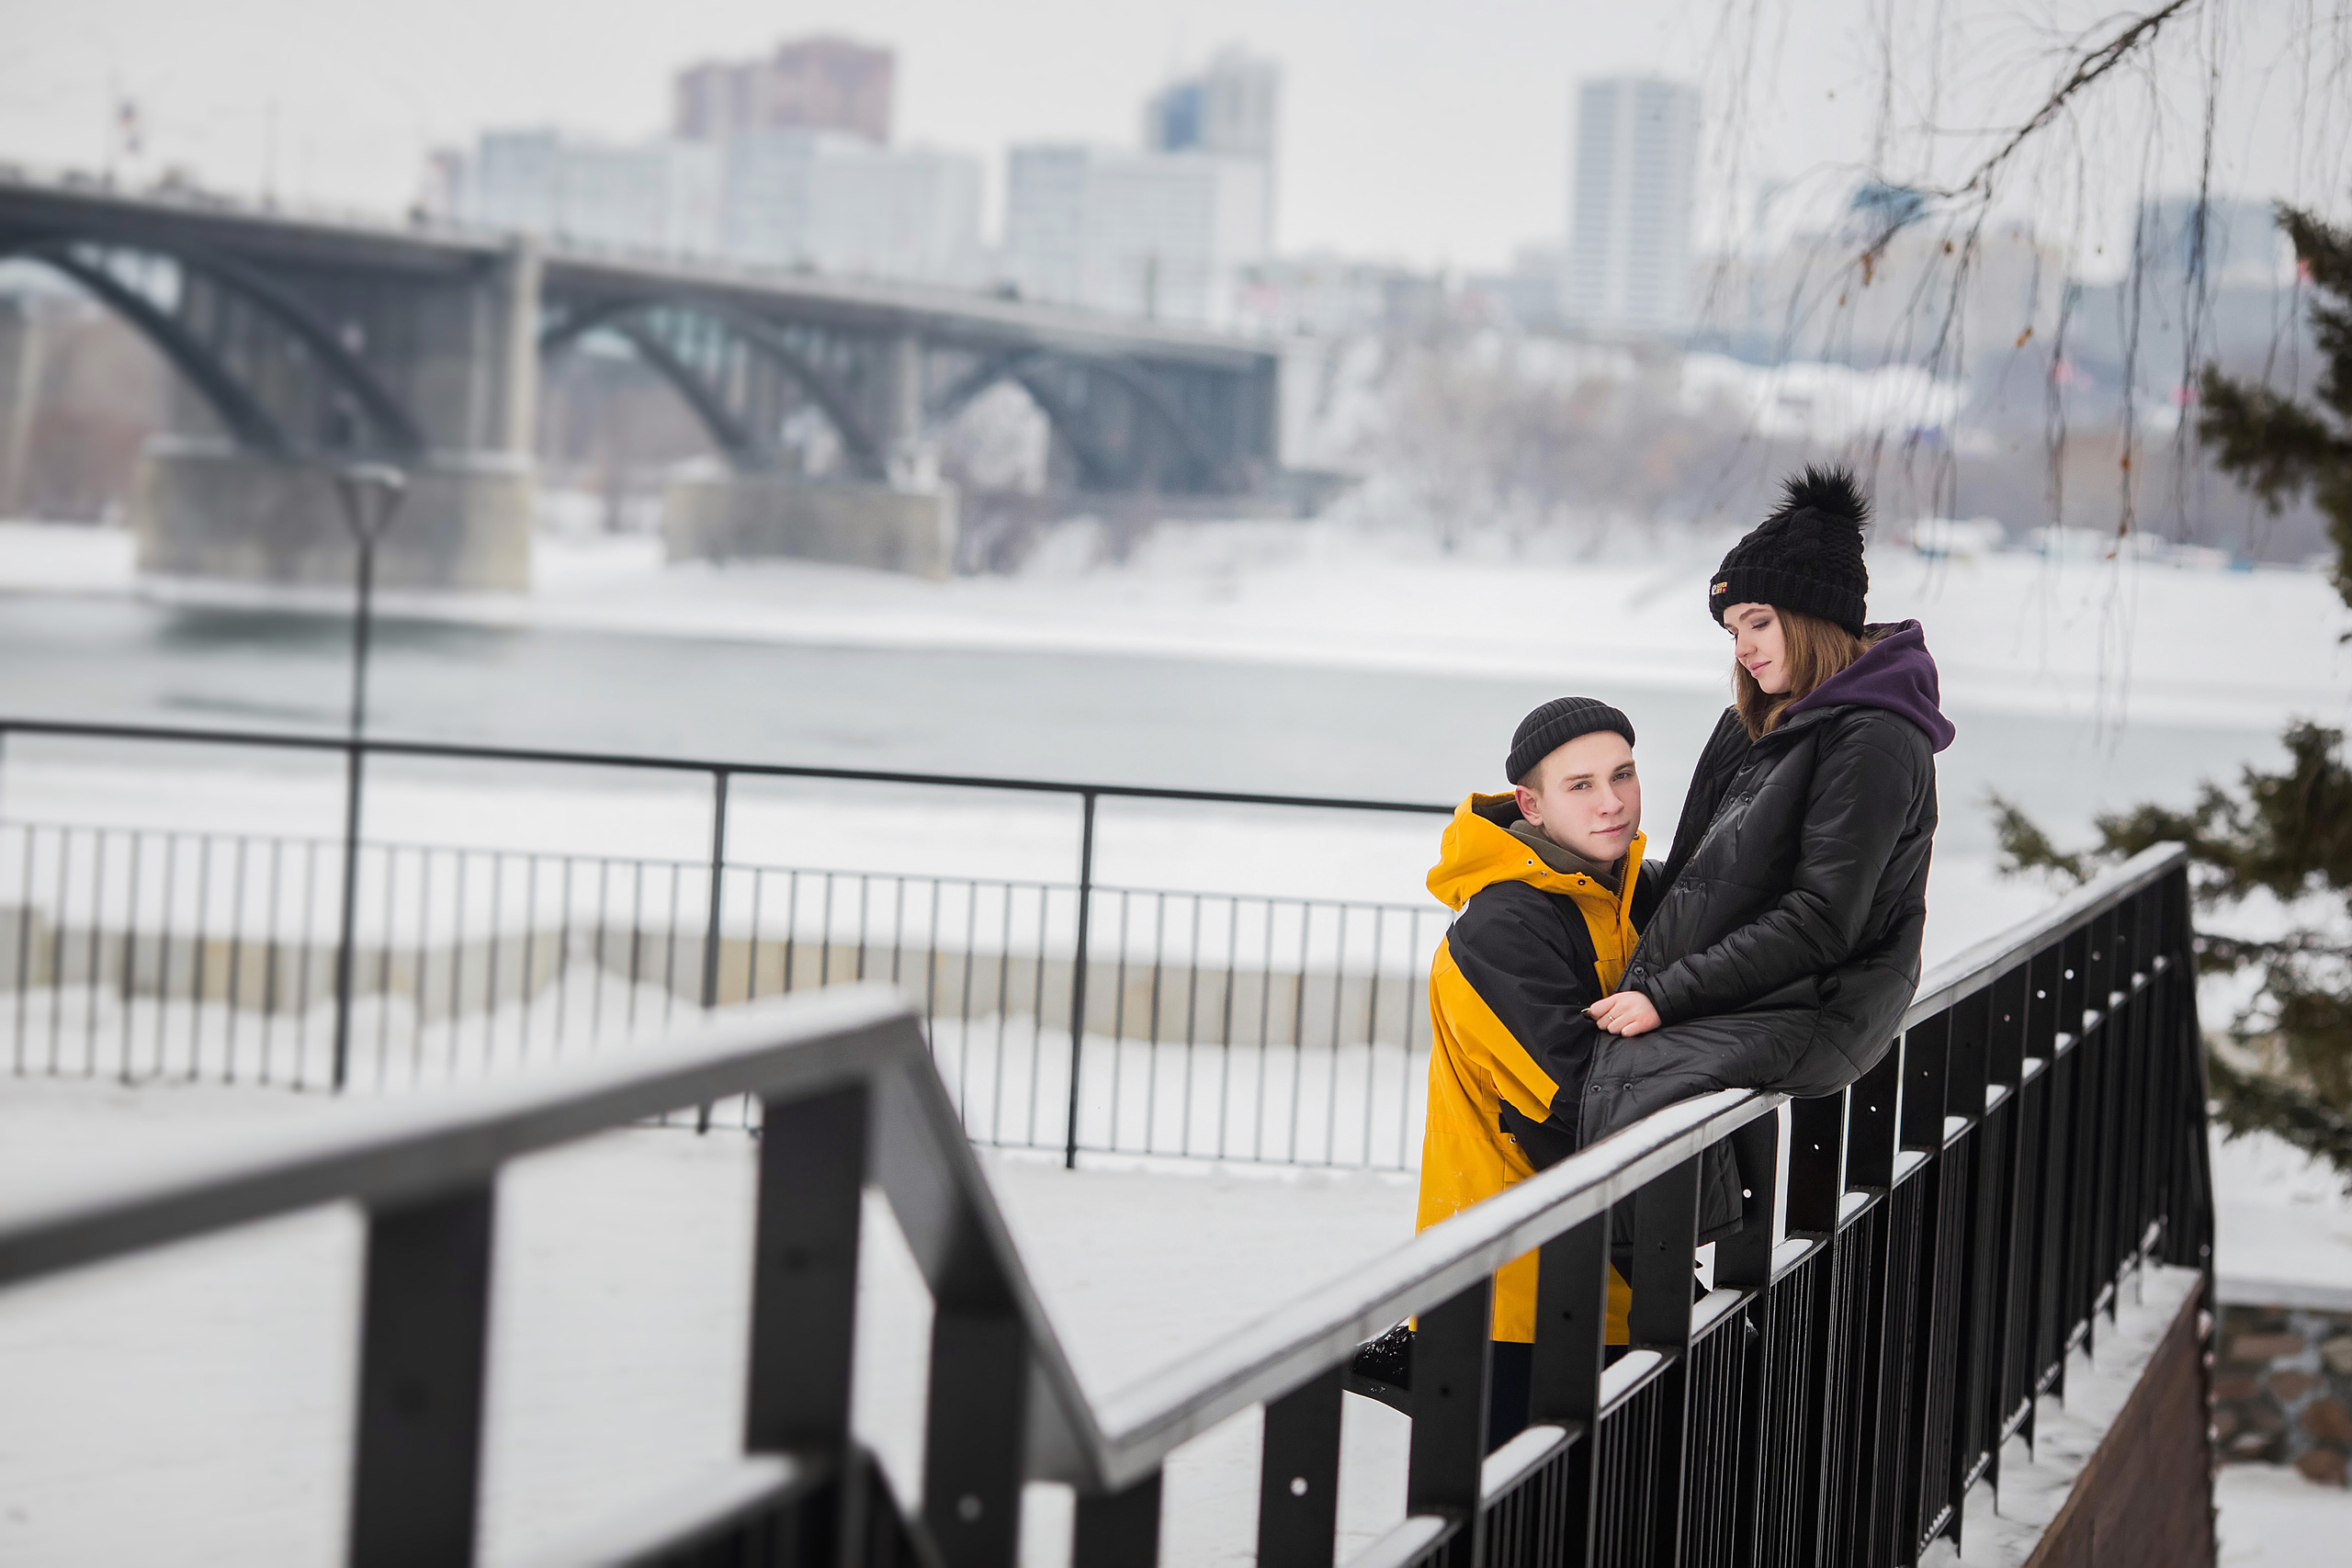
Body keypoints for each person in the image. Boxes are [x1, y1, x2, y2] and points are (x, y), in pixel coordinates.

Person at [1581, 465, 1955, 1160]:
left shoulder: (1876, 737)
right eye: (1732, 630)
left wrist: (1667, 997)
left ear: (1814, 617)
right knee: (1559, 1031)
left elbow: (1821, 920)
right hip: (1763, 987)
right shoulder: (1749, 725)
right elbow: (1696, 878)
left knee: (1627, 1076)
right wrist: (1565, 866)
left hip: (1824, 1000)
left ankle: (1650, 1268)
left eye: (1758, 622)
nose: (1743, 647)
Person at [1349, 697, 1657, 1450]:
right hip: (1510, 1296)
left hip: (1601, 1276)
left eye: (1622, 774)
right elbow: (1580, 1101)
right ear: (1531, 803)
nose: (1611, 800)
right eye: (1579, 784)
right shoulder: (1500, 926)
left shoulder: (1628, 895)